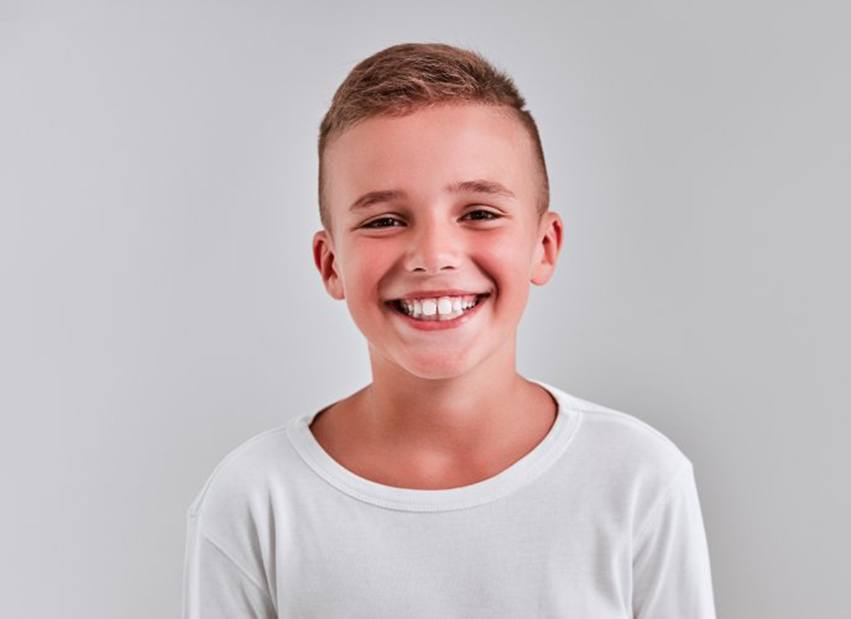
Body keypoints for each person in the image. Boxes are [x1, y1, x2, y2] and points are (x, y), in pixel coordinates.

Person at [182, 42, 716, 618]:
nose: (433, 255)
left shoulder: (637, 479)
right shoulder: (257, 499)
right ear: (330, 264)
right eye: (384, 220)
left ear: (544, 245)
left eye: (480, 213)